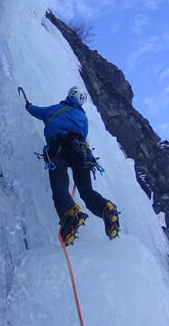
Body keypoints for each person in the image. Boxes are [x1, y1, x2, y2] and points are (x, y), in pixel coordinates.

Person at [25, 86, 120, 245]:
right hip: (81, 153)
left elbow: (37, 111)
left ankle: (70, 214)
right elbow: (84, 135)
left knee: (60, 186)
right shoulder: (82, 117)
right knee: (87, 191)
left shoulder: (56, 109)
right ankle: (107, 208)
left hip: (58, 149)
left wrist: (28, 105)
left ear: (69, 95)